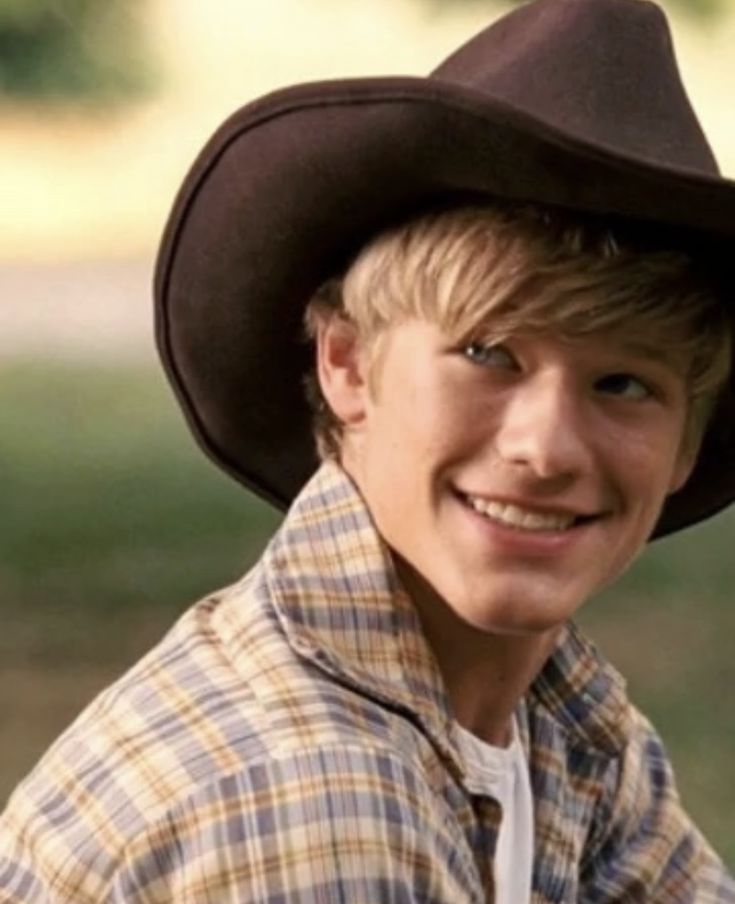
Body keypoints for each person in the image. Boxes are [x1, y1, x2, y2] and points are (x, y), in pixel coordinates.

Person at [1, 0, 734, 899]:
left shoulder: (563, 729)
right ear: (347, 365)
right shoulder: (309, 798)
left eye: (623, 385)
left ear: (685, 441)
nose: (545, 448)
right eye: (486, 354)